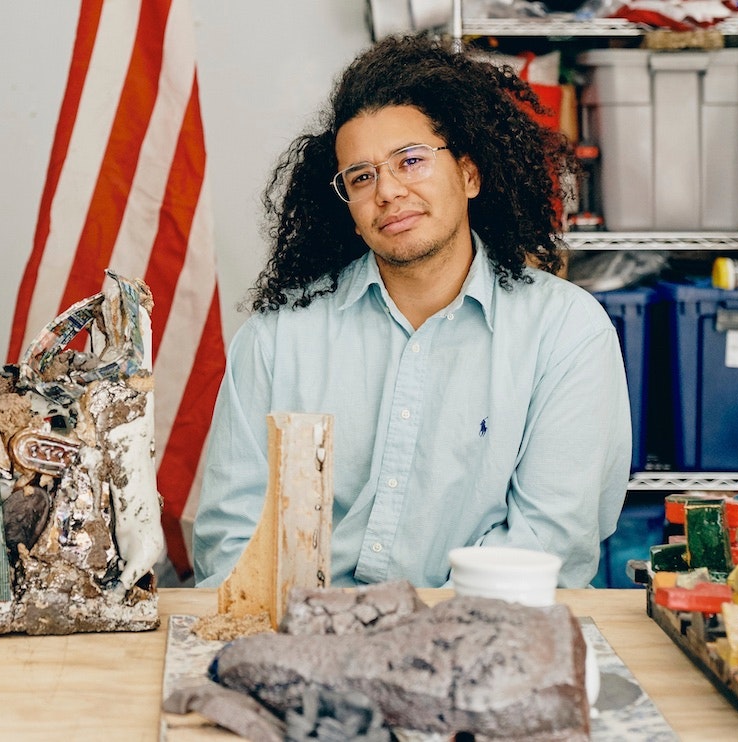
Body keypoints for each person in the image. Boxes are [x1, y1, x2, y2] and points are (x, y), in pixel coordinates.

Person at [192, 34, 631, 589]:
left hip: (485, 644)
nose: (389, 191)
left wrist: (412, 643)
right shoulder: (276, 338)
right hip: (311, 645)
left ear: (469, 176)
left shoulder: (567, 331)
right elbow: (232, 539)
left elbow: (550, 544)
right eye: (362, 176)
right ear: (350, 210)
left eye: (412, 161)